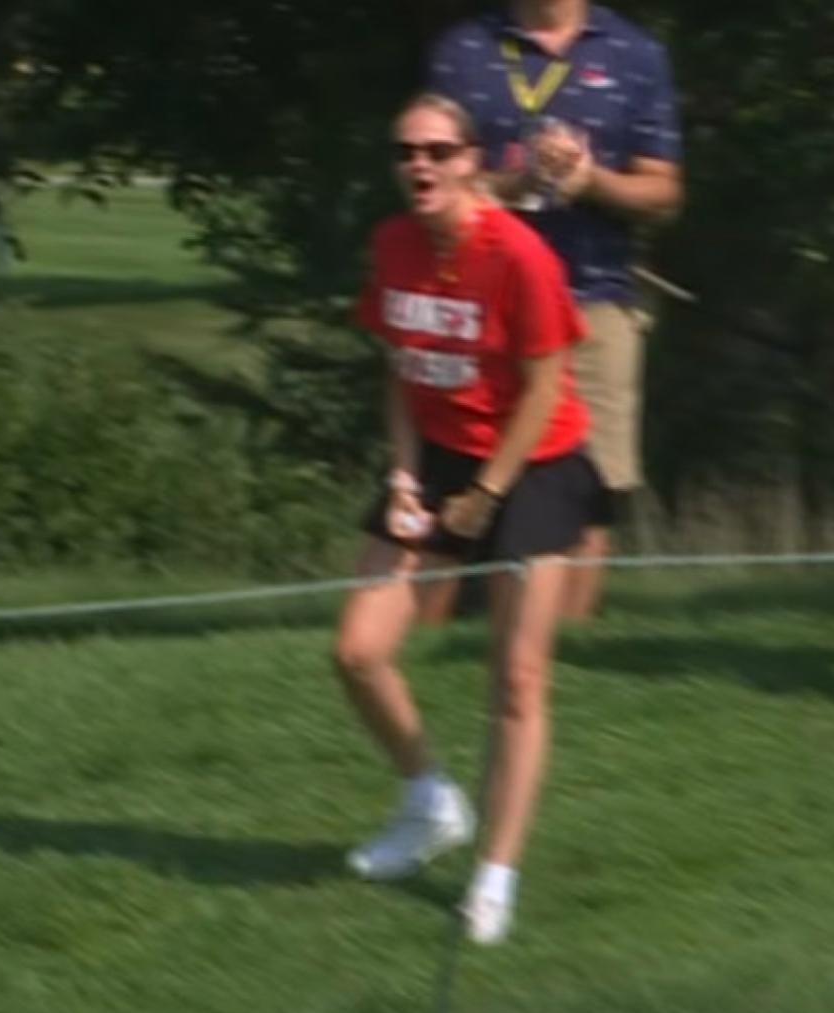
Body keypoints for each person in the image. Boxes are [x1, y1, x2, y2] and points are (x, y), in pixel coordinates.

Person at [333, 93, 601, 945]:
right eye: (407, 151)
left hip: (536, 463)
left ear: (473, 160)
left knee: (518, 679)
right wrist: (405, 471)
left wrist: (489, 493)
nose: (421, 165)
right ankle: (430, 801)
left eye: (439, 151)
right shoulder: (393, 245)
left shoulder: (518, 256)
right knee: (358, 650)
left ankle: (495, 875)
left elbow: (548, 388)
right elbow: (400, 369)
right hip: (439, 454)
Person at [426, 0, 684, 623]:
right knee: (458, 470)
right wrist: (518, 184)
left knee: (591, 492)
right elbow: (429, 175)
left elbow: (665, 191)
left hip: (593, 299)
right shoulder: (463, 50)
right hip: (482, 299)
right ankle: (433, 643)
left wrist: (594, 183)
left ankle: (567, 654)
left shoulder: (634, 51)